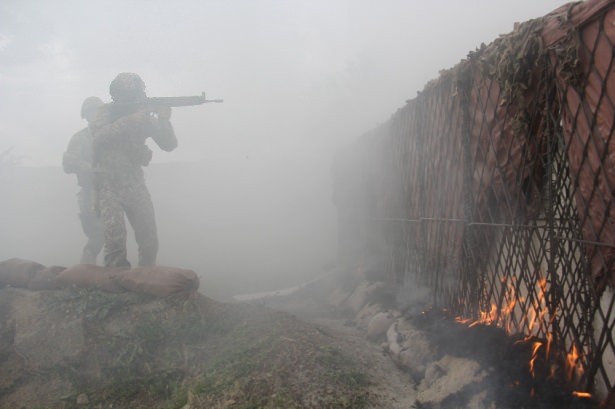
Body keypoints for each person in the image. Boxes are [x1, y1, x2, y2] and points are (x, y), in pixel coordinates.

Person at [90, 72, 178, 268]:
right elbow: (98, 137)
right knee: (115, 241)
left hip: (134, 182)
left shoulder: (144, 116)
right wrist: (129, 121)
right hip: (108, 185)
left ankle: (146, 277)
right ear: (117, 95)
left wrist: (164, 120)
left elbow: (169, 144)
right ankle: (116, 284)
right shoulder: (105, 112)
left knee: (149, 238)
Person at [63, 96, 105, 264]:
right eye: (91, 113)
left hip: (111, 192)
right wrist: (91, 168)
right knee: (96, 237)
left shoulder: (111, 134)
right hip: (90, 193)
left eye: (97, 112)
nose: (94, 116)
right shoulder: (80, 138)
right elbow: (69, 163)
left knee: (114, 235)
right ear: (86, 116)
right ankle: (86, 272)